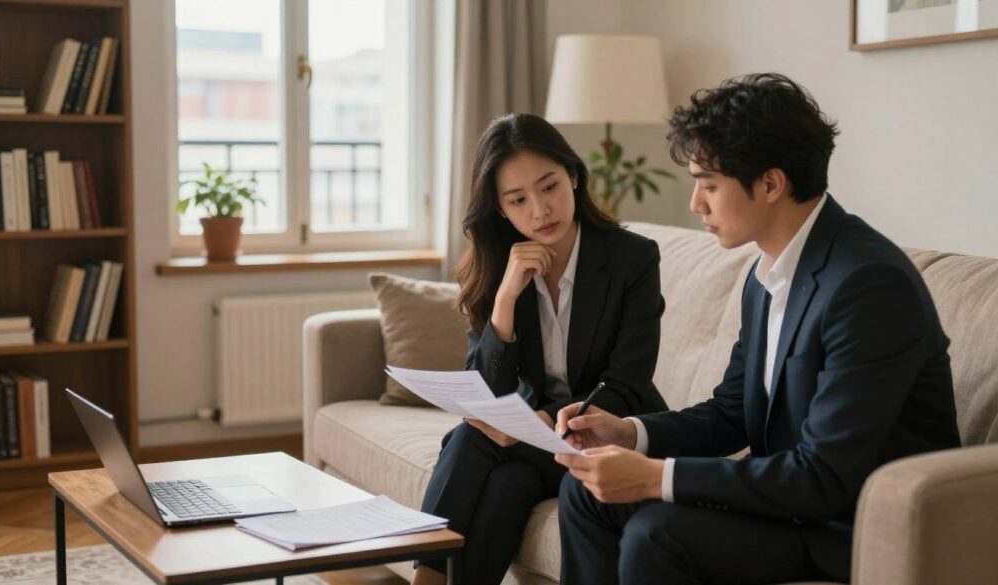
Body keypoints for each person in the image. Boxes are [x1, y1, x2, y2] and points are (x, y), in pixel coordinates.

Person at [553, 73, 961, 585]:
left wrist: (656, 476)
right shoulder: (767, 272)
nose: (695, 204)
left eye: (708, 184)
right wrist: (630, 433)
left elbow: (824, 476)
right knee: (584, 494)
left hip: (844, 526)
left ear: (771, 183)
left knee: (657, 532)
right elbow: (733, 414)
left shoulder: (868, 285)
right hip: (787, 505)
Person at [412, 112, 669, 585]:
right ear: (501, 210)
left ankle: (423, 578)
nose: (539, 210)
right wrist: (507, 298)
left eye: (549, 186)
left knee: (470, 441)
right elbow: (484, 392)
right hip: (531, 449)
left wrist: (548, 422)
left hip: (603, 434)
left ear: (573, 175)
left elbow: (628, 381)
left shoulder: (632, 258)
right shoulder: (499, 266)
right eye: (518, 199)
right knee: (506, 483)